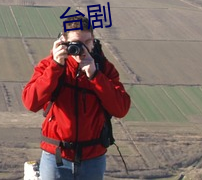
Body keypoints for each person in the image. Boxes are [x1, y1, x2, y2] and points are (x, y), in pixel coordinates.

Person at [22, 16, 131, 180]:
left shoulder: (104, 69)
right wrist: (56, 67)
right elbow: (31, 102)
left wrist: (95, 76)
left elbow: (121, 108)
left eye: (87, 42)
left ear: (93, 41)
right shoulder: (50, 65)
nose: (82, 48)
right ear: (63, 41)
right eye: (76, 43)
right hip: (56, 156)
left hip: (92, 158)